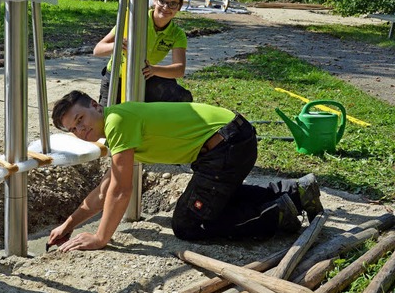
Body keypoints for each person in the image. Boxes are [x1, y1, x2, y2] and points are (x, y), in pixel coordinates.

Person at [47, 90, 324, 251]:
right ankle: (295, 192)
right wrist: (68, 225)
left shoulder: (117, 121)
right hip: (231, 140)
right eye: (73, 128)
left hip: (225, 146)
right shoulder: (119, 123)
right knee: (211, 201)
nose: (81, 130)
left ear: (96, 105)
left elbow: (121, 190)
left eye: (80, 119)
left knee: (188, 224)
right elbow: (107, 188)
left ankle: (277, 214)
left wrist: (100, 238)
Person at [93, 0, 193, 106]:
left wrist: (154, 70)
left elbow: (179, 70)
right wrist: (117, 45)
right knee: (106, 118)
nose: (166, 7)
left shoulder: (177, 34)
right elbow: (97, 50)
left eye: (172, 4)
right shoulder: (134, 19)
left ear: (179, 6)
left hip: (145, 77)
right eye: (162, 1)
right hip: (117, 77)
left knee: (182, 97)